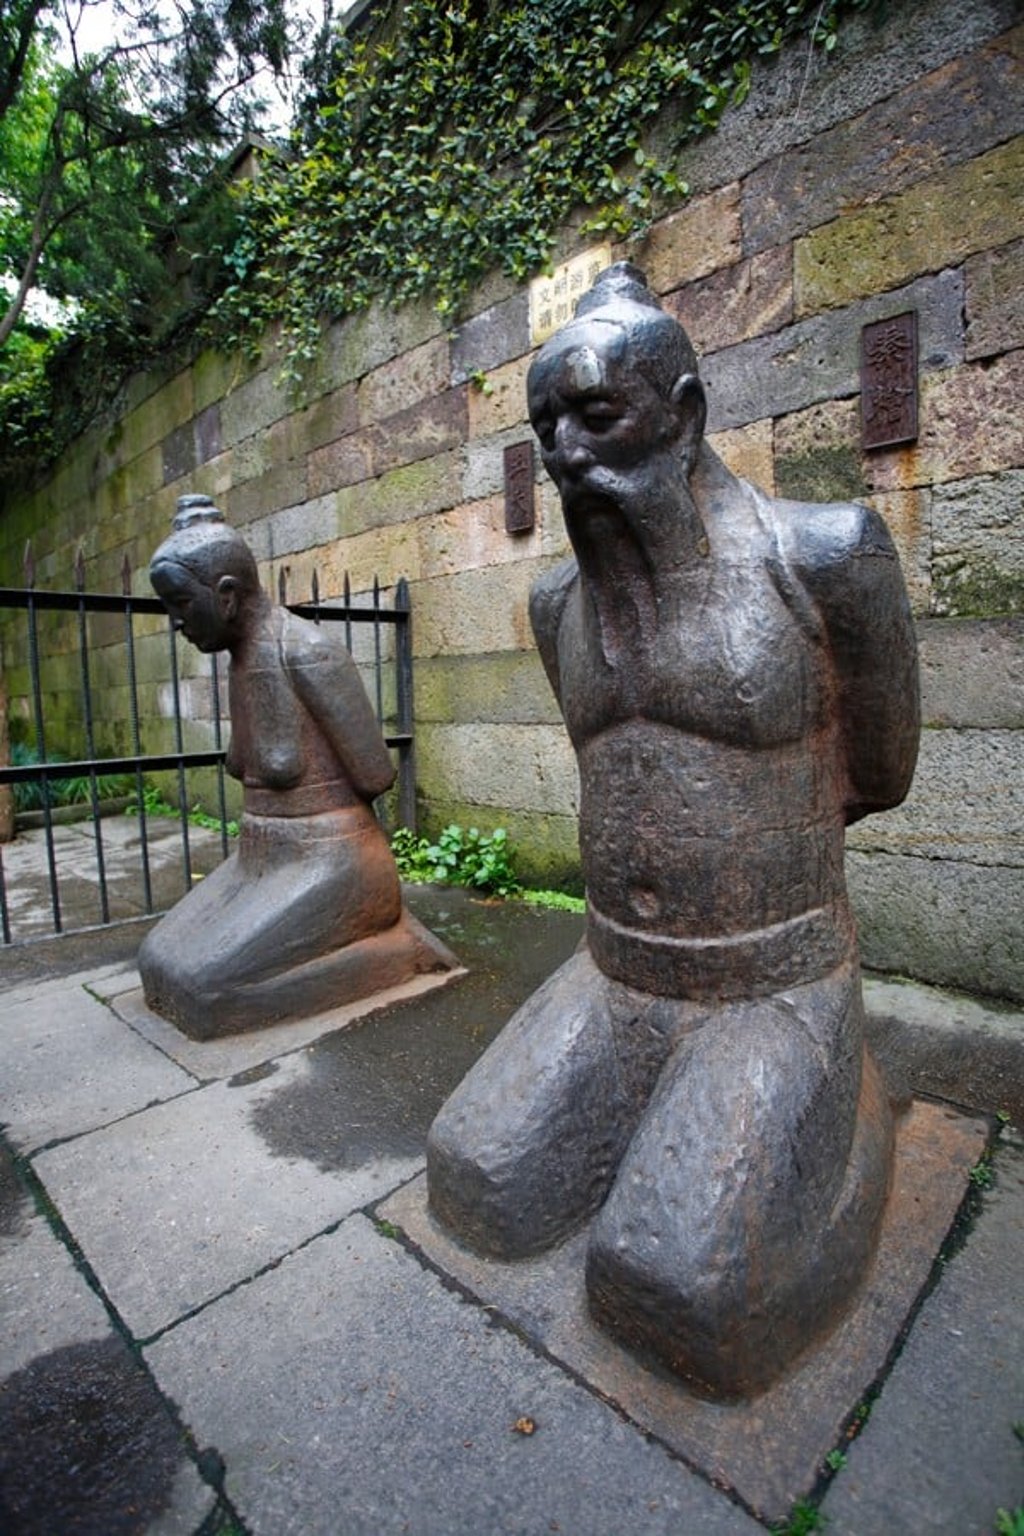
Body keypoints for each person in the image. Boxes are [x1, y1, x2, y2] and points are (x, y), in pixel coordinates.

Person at [427, 264, 919, 1398]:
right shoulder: (559, 604)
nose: (565, 451)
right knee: (480, 1177)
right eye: (547, 424)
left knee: (672, 1278)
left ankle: (842, 1107)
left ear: (682, 413)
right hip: (613, 969)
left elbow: (880, 770)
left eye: (596, 414)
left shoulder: (824, 556)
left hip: (770, 981)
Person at [139, 496, 454, 1039]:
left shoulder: (307, 652)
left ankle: (394, 948)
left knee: (202, 988)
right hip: (260, 859)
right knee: (158, 962)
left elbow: (375, 774)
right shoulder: (240, 663)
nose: (175, 622)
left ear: (227, 596)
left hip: (334, 861)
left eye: (182, 603)